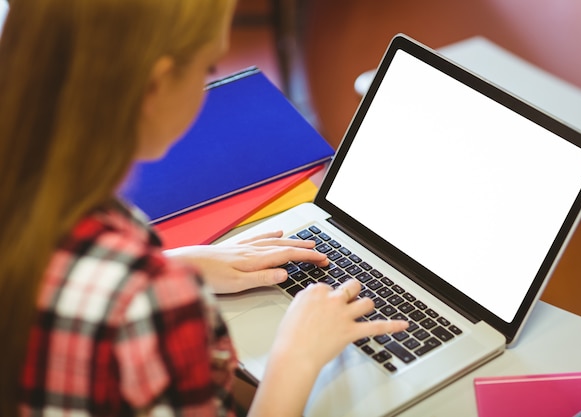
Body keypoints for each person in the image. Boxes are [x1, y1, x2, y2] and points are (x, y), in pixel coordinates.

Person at [0, 0, 408, 416]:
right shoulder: (153, 303)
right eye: (207, 68)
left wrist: (175, 264)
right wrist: (295, 357)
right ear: (155, 87)